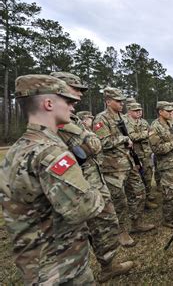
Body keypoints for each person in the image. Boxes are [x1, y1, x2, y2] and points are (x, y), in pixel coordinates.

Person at [0, 74, 105, 284]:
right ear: (48, 103)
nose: (73, 107)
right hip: (62, 265)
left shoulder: (17, 149)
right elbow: (85, 208)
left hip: (34, 261)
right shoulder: (52, 153)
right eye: (67, 101)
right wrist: (95, 191)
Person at [51, 72, 134, 282]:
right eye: (74, 90)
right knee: (78, 234)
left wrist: (88, 143)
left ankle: (108, 265)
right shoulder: (56, 121)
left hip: (94, 179)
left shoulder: (73, 119)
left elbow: (92, 146)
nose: (78, 96)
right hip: (77, 184)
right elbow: (95, 145)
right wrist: (89, 141)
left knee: (106, 223)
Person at [93, 87, 155, 247]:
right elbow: (103, 143)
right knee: (119, 201)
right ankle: (121, 231)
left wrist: (135, 161)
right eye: (118, 101)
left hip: (129, 163)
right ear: (108, 102)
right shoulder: (101, 119)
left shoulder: (122, 117)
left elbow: (130, 143)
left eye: (122, 101)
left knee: (139, 192)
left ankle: (136, 222)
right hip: (113, 168)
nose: (122, 104)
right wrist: (123, 139)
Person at [149, 101, 173, 228]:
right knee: (170, 193)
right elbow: (156, 149)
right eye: (167, 111)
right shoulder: (155, 127)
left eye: (171, 111)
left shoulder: (170, 123)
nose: (170, 113)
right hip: (166, 164)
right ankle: (168, 219)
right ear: (160, 112)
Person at [125, 102, 158, 210]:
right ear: (129, 111)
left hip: (146, 154)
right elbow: (132, 137)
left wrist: (147, 135)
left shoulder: (143, 122)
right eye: (136, 110)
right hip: (135, 155)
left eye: (140, 110)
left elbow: (151, 133)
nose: (139, 112)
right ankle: (139, 201)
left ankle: (147, 198)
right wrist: (146, 134)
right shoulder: (126, 122)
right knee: (137, 180)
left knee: (148, 176)